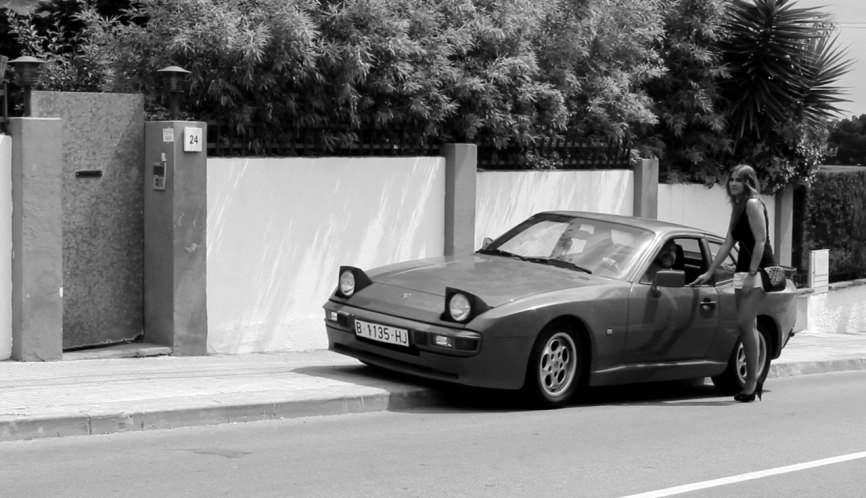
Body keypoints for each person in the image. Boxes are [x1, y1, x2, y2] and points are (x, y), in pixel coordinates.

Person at [689, 164, 776, 402]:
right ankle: (754, 381)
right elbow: (728, 242)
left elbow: (761, 241)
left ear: (749, 182)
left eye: (739, 179)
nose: (733, 183)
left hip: (757, 270)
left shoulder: (753, 204)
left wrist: (751, 274)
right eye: (731, 179)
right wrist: (709, 272)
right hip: (743, 270)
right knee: (748, 326)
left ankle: (751, 383)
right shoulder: (738, 206)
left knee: (744, 324)